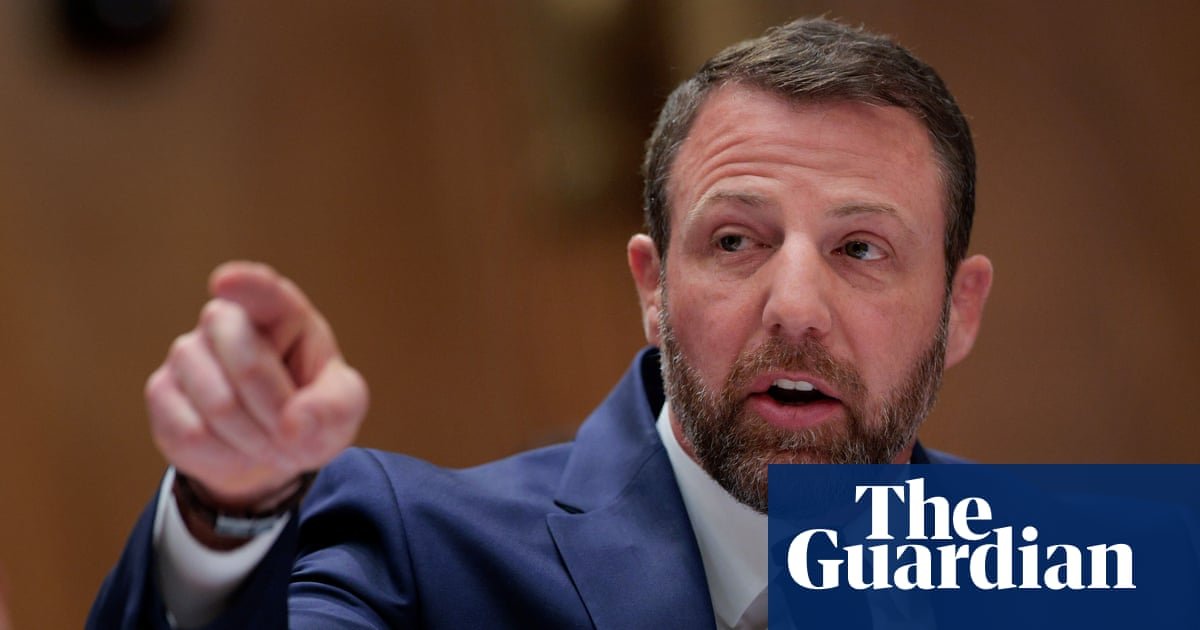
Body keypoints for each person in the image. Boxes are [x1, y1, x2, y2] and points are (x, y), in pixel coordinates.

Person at [88, 16, 992, 629]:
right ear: (653, 289)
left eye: (861, 249)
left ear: (958, 310)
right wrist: (229, 516)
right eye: (734, 240)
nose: (795, 308)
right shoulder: (417, 557)